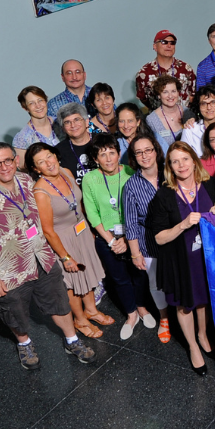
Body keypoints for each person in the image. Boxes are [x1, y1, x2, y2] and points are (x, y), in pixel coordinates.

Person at [0, 142, 96, 369]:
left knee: (59, 301)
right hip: (7, 272)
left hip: (41, 259)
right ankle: (24, 343)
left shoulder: (25, 181)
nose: (4, 167)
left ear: (16, 161)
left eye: (8, 160)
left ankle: (72, 340)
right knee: (15, 314)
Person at [146, 142, 215, 375]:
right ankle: (193, 346)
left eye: (185, 159)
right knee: (186, 304)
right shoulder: (164, 195)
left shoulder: (208, 185)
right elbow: (158, 238)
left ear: (194, 160)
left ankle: (203, 334)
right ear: (169, 166)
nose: (181, 165)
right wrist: (183, 224)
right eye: (175, 161)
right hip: (180, 261)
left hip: (207, 258)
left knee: (204, 299)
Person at [26, 143, 109, 339]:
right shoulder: (41, 192)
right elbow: (47, 230)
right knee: (71, 281)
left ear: (56, 155)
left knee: (86, 271)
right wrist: (65, 257)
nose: (49, 163)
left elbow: (77, 202)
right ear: (36, 169)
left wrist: (87, 226)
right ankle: (79, 319)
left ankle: (91, 310)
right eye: (41, 162)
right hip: (62, 239)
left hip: (80, 230)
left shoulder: (66, 171)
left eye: (50, 156)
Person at [81, 134, 155, 340]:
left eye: (111, 153)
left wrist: (126, 239)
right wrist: (112, 240)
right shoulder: (90, 179)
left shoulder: (132, 172)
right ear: (95, 159)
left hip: (133, 235)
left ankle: (142, 308)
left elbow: (140, 208)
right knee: (119, 279)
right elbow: (92, 214)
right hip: (107, 239)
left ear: (119, 153)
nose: (108, 159)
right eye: (102, 155)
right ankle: (131, 314)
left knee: (139, 275)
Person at [124, 134, 174, 344]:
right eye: (139, 152)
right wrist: (135, 253)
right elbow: (131, 223)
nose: (145, 155)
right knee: (156, 283)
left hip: (177, 236)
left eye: (148, 150)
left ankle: (183, 315)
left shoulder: (171, 174)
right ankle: (164, 319)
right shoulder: (131, 186)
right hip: (149, 242)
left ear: (156, 150)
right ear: (134, 157)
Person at [135, 29, 197, 109]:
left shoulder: (186, 68)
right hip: (158, 118)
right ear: (155, 46)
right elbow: (143, 98)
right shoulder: (144, 73)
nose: (169, 45)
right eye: (164, 42)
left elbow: (193, 95)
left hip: (184, 118)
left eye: (172, 43)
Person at [12, 86, 59, 165]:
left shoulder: (61, 123)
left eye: (40, 100)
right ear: (25, 108)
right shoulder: (22, 138)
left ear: (46, 101)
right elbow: (24, 168)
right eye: (31, 103)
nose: (38, 106)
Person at [56, 102, 96, 186]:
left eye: (77, 119)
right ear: (63, 128)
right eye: (67, 122)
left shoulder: (103, 141)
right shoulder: (58, 151)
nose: (73, 125)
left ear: (87, 122)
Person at [146, 75, 188, 148]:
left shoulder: (188, 112)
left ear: (178, 93)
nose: (170, 96)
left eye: (173, 91)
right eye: (165, 92)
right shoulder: (151, 120)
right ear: (159, 95)